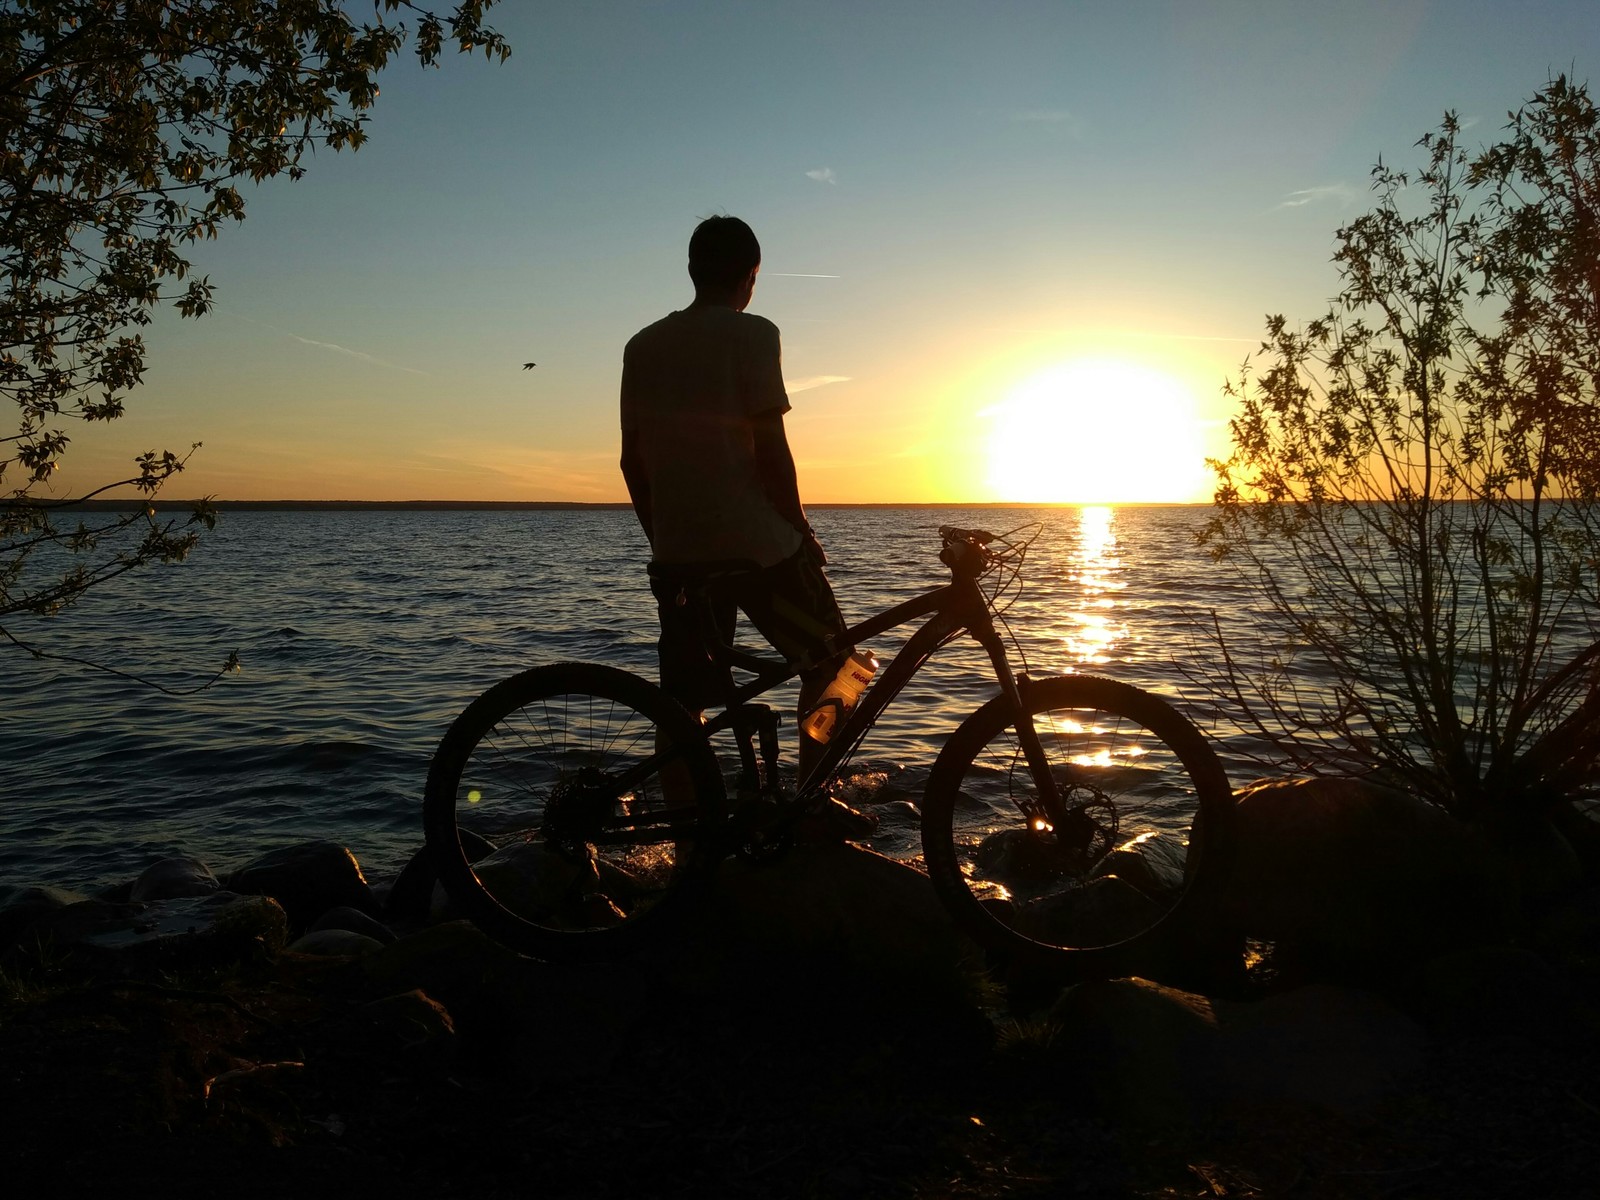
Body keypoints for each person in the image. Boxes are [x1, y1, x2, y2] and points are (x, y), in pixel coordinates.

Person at [619, 215, 876, 840]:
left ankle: (687, 839)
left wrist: (666, 543)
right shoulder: (754, 334)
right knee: (838, 666)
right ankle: (808, 800)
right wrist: (802, 529)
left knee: (683, 701)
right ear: (751, 276)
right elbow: (770, 448)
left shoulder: (642, 345)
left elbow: (632, 461)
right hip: (757, 544)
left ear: (690, 271)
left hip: (680, 552)